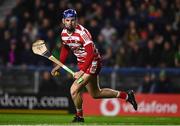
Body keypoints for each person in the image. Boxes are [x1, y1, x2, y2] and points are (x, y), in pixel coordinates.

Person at [51, 9, 138, 123]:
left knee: (73, 90)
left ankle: (79, 117)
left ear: (76, 21)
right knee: (96, 94)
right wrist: (59, 64)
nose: (70, 23)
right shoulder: (63, 34)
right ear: (63, 21)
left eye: (73, 20)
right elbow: (65, 49)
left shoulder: (83, 33)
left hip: (93, 62)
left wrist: (82, 71)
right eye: (68, 20)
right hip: (83, 63)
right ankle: (127, 96)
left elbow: (91, 54)